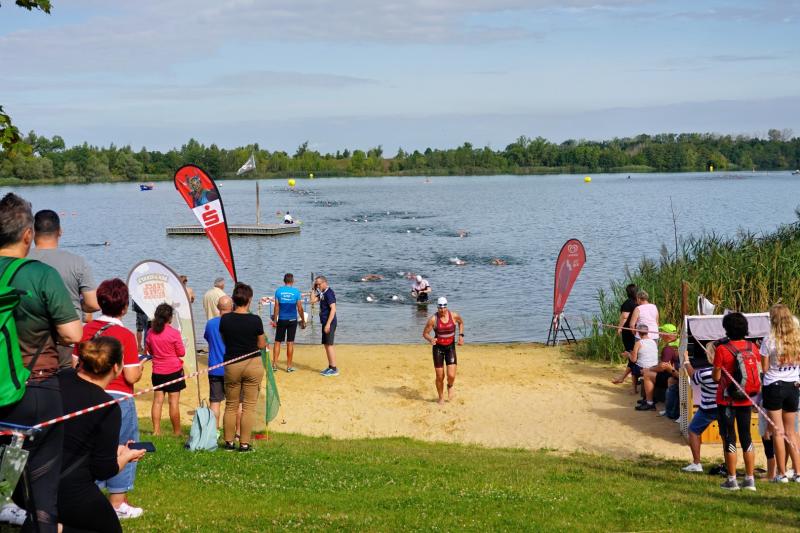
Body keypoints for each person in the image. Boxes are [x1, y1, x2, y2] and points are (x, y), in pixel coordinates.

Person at [0, 193, 83, 533]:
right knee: (43, 490)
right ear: (27, 235)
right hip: (36, 389)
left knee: (6, 481)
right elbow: (73, 333)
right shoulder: (40, 273)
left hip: (2, 390)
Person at [58, 337, 146, 533]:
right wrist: (126, 457)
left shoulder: (62, 377)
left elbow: (76, 436)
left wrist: (115, 449)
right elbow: (104, 470)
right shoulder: (107, 407)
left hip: (32, 476)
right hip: (68, 487)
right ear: (116, 367)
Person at [75, 278, 144, 519]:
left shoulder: (85, 330)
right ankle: (117, 502)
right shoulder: (125, 335)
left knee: (88, 444)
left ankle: (87, 493)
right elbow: (131, 375)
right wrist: (141, 367)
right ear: (124, 308)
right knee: (125, 444)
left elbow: (75, 364)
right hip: (119, 396)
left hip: (87, 394)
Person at [28, 209, 99, 368]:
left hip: (29, 341)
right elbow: (93, 304)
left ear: (32, 232)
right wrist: (77, 304)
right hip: (66, 340)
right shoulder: (77, 262)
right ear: (60, 231)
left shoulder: (20, 260)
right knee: (65, 381)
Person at [713, 312, 760, 491]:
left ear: (727, 329)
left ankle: (732, 479)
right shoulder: (752, 347)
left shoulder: (722, 349)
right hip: (747, 399)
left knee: (729, 438)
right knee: (746, 437)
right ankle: (750, 479)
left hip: (727, 401)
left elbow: (716, 377)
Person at [219, 282, 267, 451]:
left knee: (231, 405)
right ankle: (244, 444)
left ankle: (229, 442)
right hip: (252, 363)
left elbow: (224, 340)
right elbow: (261, 344)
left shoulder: (225, 319)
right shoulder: (255, 320)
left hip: (232, 363)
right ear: (249, 300)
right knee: (248, 406)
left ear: (234, 300)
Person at [759, 304, 800, 483]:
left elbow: (765, 368)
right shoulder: (797, 337)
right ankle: (798, 472)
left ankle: (781, 474)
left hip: (774, 385)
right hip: (793, 385)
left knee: (778, 431)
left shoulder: (769, 339)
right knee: (792, 432)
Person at [145, 303, 186, 437]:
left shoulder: (150, 332)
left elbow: (149, 350)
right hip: (173, 370)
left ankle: (156, 431)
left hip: (157, 371)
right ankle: (177, 432)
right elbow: (181, 352)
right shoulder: (174, 333)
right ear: (170, 318)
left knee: (157, 401)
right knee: (173, 402)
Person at [681, 341, 719, 473]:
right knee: (727, 436)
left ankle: (697, 463)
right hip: (724, 407)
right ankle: (728, 466)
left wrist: (686, 360)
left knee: (693, 431)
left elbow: (693, 376)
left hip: (708, 408)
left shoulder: (706, 373)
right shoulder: (729, 371)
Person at [422, 297, 465, 404]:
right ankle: (441, 397)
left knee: (451, 375)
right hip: (438, 349)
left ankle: (450, 386)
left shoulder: (454, 316)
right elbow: (425, 333)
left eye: (444, 307)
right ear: (437, 307)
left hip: (450, 348)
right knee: (440, 376)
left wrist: (461, 336)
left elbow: (461, 323)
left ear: (447, 306)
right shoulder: (433, 319)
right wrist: (430, 339)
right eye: (440, 308)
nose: (442, 310)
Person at [204, 295, 233, 426]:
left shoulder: (210, 324)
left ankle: (214, 431)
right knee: (234, 403)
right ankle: (236, 432)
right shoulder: (235, 323)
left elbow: (207, 338)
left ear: (218, 308)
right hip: (232, 368)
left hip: (215, 368)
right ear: (231, 307)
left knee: (215, 402)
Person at [271, 273, 306, 373]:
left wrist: (275, 320)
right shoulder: (296, 292)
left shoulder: (278, 291)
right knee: (290, 343)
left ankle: (274, 365)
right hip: (292, 320)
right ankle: (289, 367)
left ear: (284, 281)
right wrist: (303, 320)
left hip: (282, 319)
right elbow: (300, 308)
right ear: (292, 281)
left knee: (277, 342)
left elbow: (276, 307)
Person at [310, 276, 338, 376]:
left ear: (325, 282)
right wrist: (313, 289)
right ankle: (330, 366)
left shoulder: (329, 293)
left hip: (329, 322)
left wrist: (328, 324)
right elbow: (312, 300)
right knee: (326, 345)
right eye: (316, 284)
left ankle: (334, 369)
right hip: (325, 322)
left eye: (319, 284)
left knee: (329, 345)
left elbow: (333, 309)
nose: (318, 286)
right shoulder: (323, 293)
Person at [612, 284, 638, 389]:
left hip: (628, 331)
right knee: (635, 352)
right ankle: (632, 374)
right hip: (637, 330)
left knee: (630, 352)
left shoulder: (628, 303)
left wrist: (619, 327)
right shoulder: (638, 302)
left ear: (627, 292)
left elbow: (624, 316)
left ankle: (627, 376)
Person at [630, 324, 660, 411]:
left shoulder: (638, 343)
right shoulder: (653, 342)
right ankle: (646, 398)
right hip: (654, 366)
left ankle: (634, 389)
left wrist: (628, 354)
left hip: (644, 368)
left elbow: (633, 359)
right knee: (636, 365)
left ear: (639, 333)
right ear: (647, 332)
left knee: (632, 366)